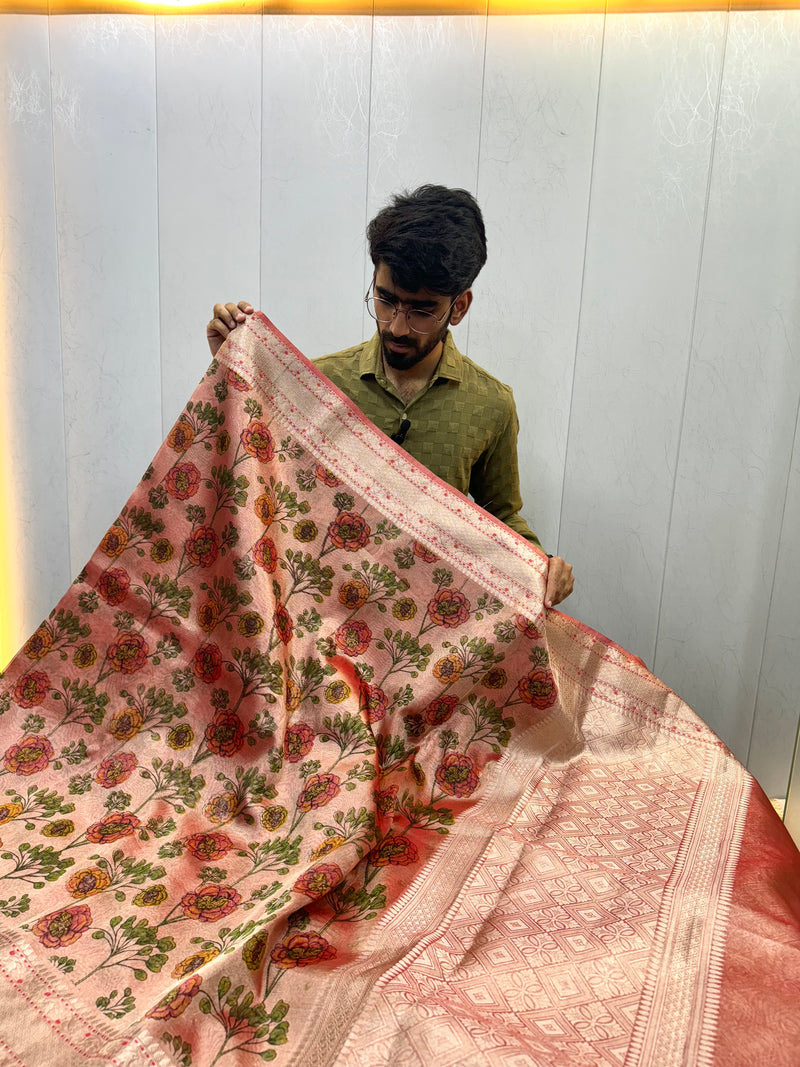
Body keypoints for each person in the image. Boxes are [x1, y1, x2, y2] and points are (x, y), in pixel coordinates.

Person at [206, 185, 574, 608]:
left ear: (459, 307)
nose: (397, 327)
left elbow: (501, 514)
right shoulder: (319, 383)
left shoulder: (491, 405)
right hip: (319, 614)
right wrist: (229, 373)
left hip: (422, 631)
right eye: (385, 299)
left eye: (421, 309)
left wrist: (542, 564)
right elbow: (256, 470)